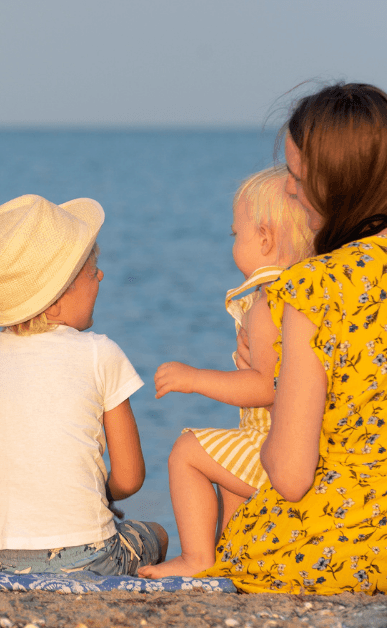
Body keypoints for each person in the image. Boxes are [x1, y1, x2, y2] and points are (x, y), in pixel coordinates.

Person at [195, 83, 387, 596]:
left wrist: (276, 386)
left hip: (325, 551)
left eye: (296, 176)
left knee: (237, 534)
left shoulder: (314, 287)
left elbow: (291, 477)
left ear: (333, 182)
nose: (291, 191)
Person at [0, 194, 169, 576]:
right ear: (53, 304)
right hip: (86, 557)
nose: (101, 275)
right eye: (93, 270)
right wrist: (100, 495)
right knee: (156, 534)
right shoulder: (98, 353)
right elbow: (130, 476)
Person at [138, 166, 314, 579]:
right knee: (229, 469)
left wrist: (194, 378)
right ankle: (233, 556)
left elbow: (265, 386)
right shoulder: (308, 289)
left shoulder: (270, 302)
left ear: (266, 238)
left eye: (237, 234)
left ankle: (197, 557)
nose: (234, 243)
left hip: (279, 446)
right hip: (297, 444)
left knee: (188, 452)